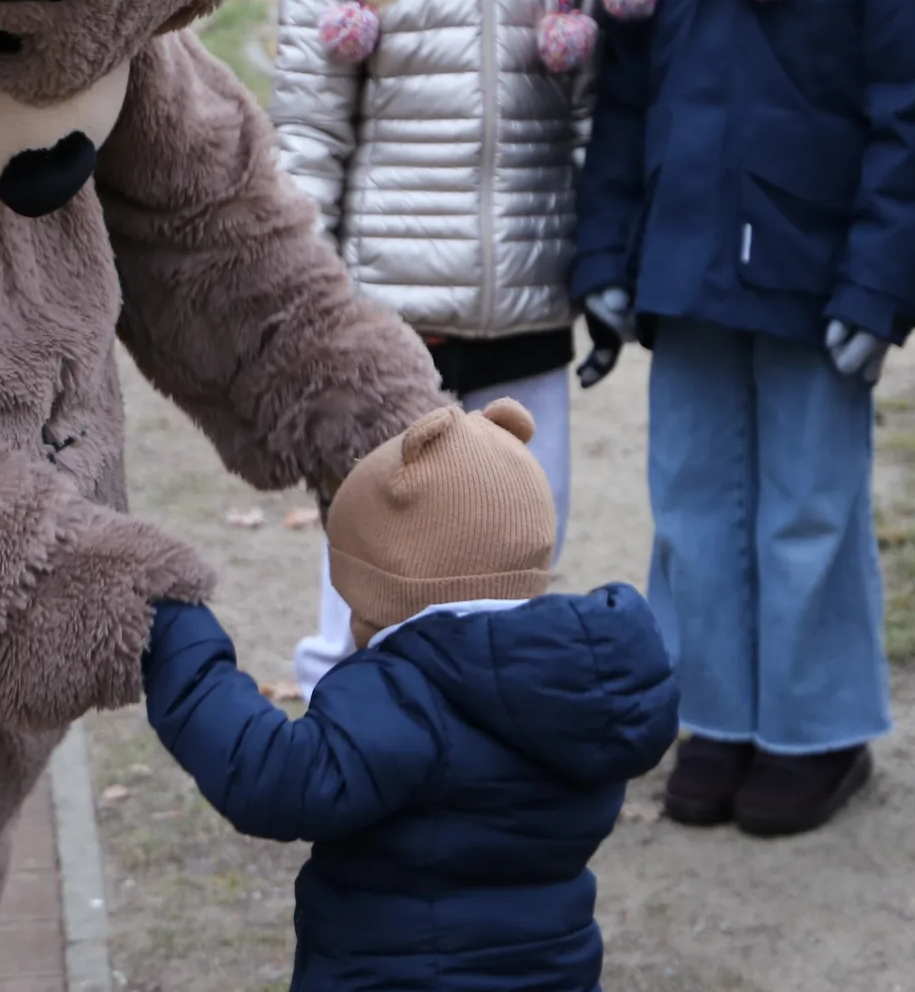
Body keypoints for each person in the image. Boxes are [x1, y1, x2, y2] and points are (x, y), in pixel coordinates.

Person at [575, 0, 915, 837]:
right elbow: (624, 103)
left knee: (806, 507)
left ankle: (813, 729)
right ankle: (714, 717)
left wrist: (878, 285)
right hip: (684, 263)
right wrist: (607, 257)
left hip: (813, 269)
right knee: (692, 503)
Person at [272, 0, 607, 696]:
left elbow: (602, 119)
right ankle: (344, 706)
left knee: (511, 539)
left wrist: (606, 265)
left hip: (526, 306)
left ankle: (495, 724)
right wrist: (304, 292)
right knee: (377, 537)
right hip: (390, 313)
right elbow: (309, 131)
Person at [142, 399, 678, 992]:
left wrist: (176, 634)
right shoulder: (580, 686)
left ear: (392, 589)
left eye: (357, 595)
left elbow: (273, 775)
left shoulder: (407, 694)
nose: (351, 620)